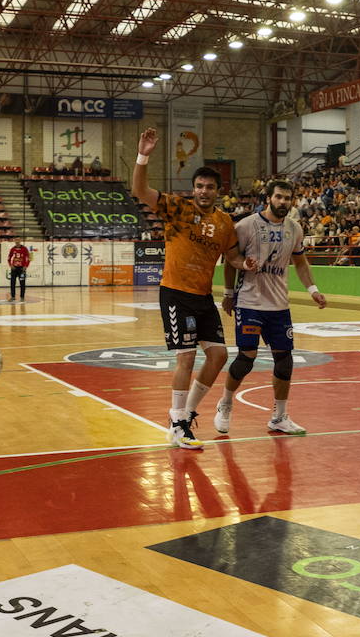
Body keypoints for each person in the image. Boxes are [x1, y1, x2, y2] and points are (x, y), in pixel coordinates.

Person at [131, 127, 256, 450]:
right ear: (193, 189)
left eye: (210, 187)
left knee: (218, 355)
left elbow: (231, 256)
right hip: (175, 293)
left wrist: (245, 264)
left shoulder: (225, 222)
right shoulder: (177, 208)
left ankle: (186, 414)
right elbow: (140, 190)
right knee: (185, 359)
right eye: (199, 186)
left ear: (218, 190)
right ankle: (175, 422)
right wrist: (143, 155)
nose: (204, 191)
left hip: (203, 297)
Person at [214, 180, 326, 436]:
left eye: (288, 198)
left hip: (279, 305)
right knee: (246, 359)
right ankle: (226, 404)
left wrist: (313, 290)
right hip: (250, 302)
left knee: (284, 361)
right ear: (269, 198)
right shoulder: (245, 226)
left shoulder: (295, 229)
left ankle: (279, 417)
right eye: (279, 197)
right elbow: (230, 261)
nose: (283, 202)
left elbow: (300, 263)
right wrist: (229, 293)